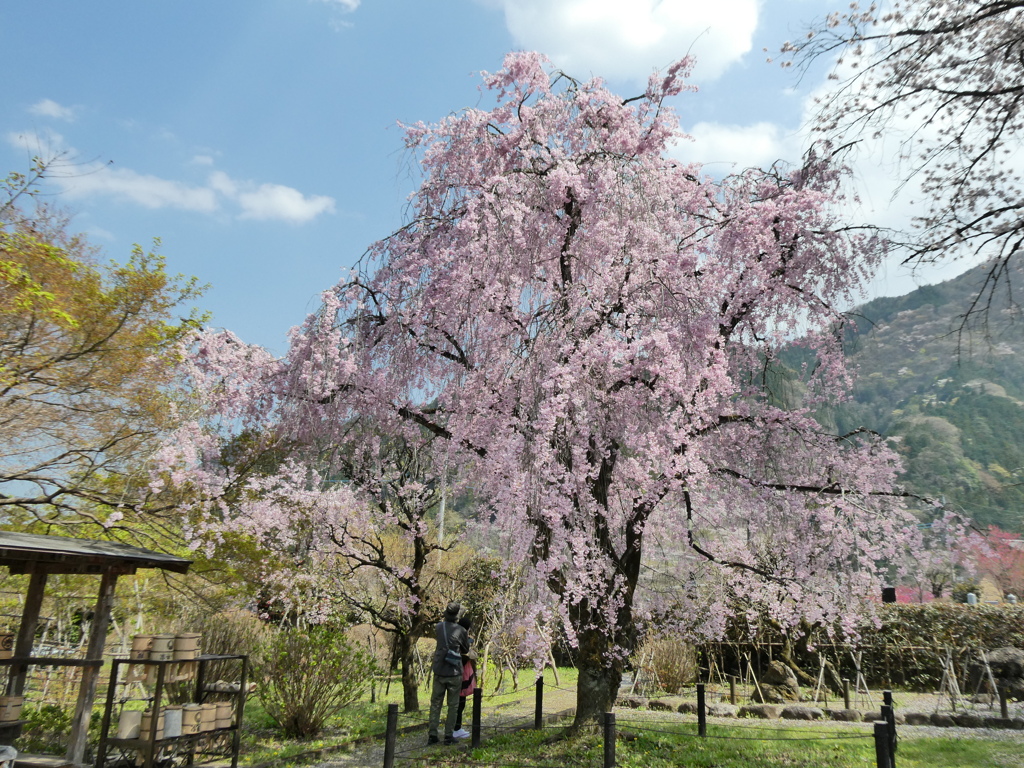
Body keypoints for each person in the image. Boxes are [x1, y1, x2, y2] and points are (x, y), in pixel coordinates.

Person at [428, 602, 469, 745]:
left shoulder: (438, 627)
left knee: (435, 703)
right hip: (454, 671)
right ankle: (448, 735)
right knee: (453, 705)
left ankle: (432, 735)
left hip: (439, 669)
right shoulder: (461, 630)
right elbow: (465, 648)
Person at [452, 615, 477, 740]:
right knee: (459, 702)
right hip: (461, 671)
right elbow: (463, 654)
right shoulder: (462, 639)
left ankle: (455, 727)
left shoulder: (453, 636)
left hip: (456, 670)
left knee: (457, 702)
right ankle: (456, 728)